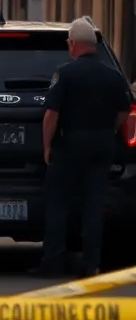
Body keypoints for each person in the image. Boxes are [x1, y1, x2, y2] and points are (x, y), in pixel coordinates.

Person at [30, 17, 132, 278]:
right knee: (94, 205)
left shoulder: (65, 73)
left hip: (71, 144)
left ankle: (53, 262)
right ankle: (90, 264)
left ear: (73, 43)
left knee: (58, 204)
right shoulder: (113, 75)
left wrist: (47, 146)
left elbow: (51, 114)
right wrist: (109, 130)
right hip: (102, 144)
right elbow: (123, 111)